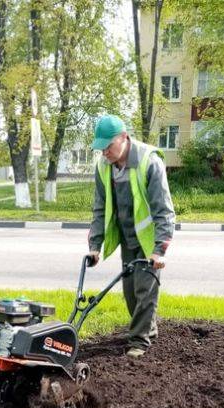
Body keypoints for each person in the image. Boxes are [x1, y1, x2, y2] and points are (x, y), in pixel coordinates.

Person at [87, 114, 175, 358]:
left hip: (148, 242)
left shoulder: (149, 162)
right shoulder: (104, 166)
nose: (104, 152)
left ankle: (139, 342)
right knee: (130, 293)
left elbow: (164, 211)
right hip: (127, 239)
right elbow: (99, 207)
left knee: (144, 290)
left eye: (108, 146)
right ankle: (149, 330)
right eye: (101, 147)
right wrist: (95, 245)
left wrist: (160, 249)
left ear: (124, 138)